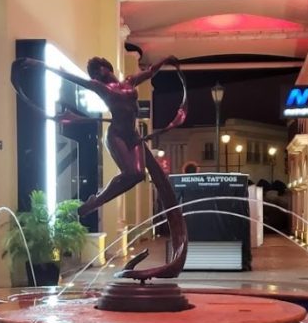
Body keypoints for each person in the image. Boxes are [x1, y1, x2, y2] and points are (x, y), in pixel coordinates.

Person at [11, 55, 188, 280]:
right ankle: (94, 202)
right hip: (116, 136)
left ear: (106, 68)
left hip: (133, 135)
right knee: (132, 173)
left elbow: (151, 71)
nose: (96, 74)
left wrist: (168, 60)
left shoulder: (130, 81)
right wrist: (40, 65)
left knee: (137, 175)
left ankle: (95, 200)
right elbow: (69, 76)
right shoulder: (98, 87)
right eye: (94, 72)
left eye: (98, 70)